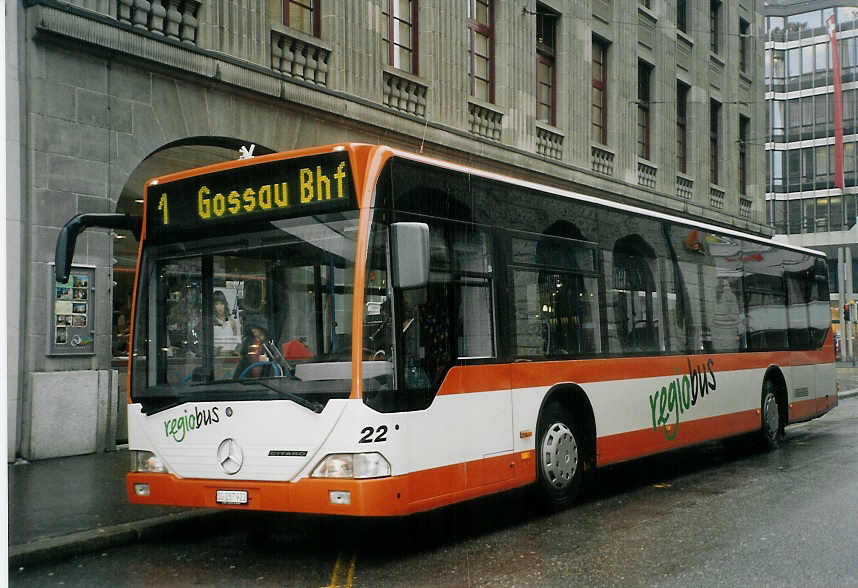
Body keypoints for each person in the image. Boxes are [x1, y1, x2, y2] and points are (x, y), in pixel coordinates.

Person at [213, 290, 240, 354]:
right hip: (216, 358)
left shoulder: (232, 322)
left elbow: (237, 343)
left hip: (230, 358)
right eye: (216, 304)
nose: (220, 307)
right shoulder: (211, 324)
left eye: (222, 304)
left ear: (225, 304)